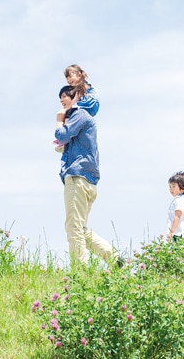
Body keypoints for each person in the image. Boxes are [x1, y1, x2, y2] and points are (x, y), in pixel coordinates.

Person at [54, 84, 117, 265]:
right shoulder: (85, 118)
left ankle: (78, 275)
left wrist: (59, 119)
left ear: (75, 97)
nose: (62, 102)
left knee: (73, 228)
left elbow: (62, 135)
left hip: (77, 177)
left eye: (64, 97)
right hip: (88, 180)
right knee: (80, 228)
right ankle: (115, 258)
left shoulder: (79, 114)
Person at [55, 64, 99, 154]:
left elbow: (75, 99)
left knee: (70, 112)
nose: (68, 80)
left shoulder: (81, 85)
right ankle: (65, 134)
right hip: (91, 105)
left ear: (79, 75)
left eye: (70, 76)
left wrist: (67, 110)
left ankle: (64, 133)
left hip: (89, 103)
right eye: (66, 78)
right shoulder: (84, 84)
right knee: (72, 113)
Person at [166, 171, 184, 241]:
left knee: (178, 251)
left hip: (180, 234)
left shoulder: (180, 201)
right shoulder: (178, 200)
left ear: (183, 188)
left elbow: (177, 216)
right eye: (170, 186)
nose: (171, 189)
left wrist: (171, 232)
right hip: (178, 234)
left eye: (174, 186)